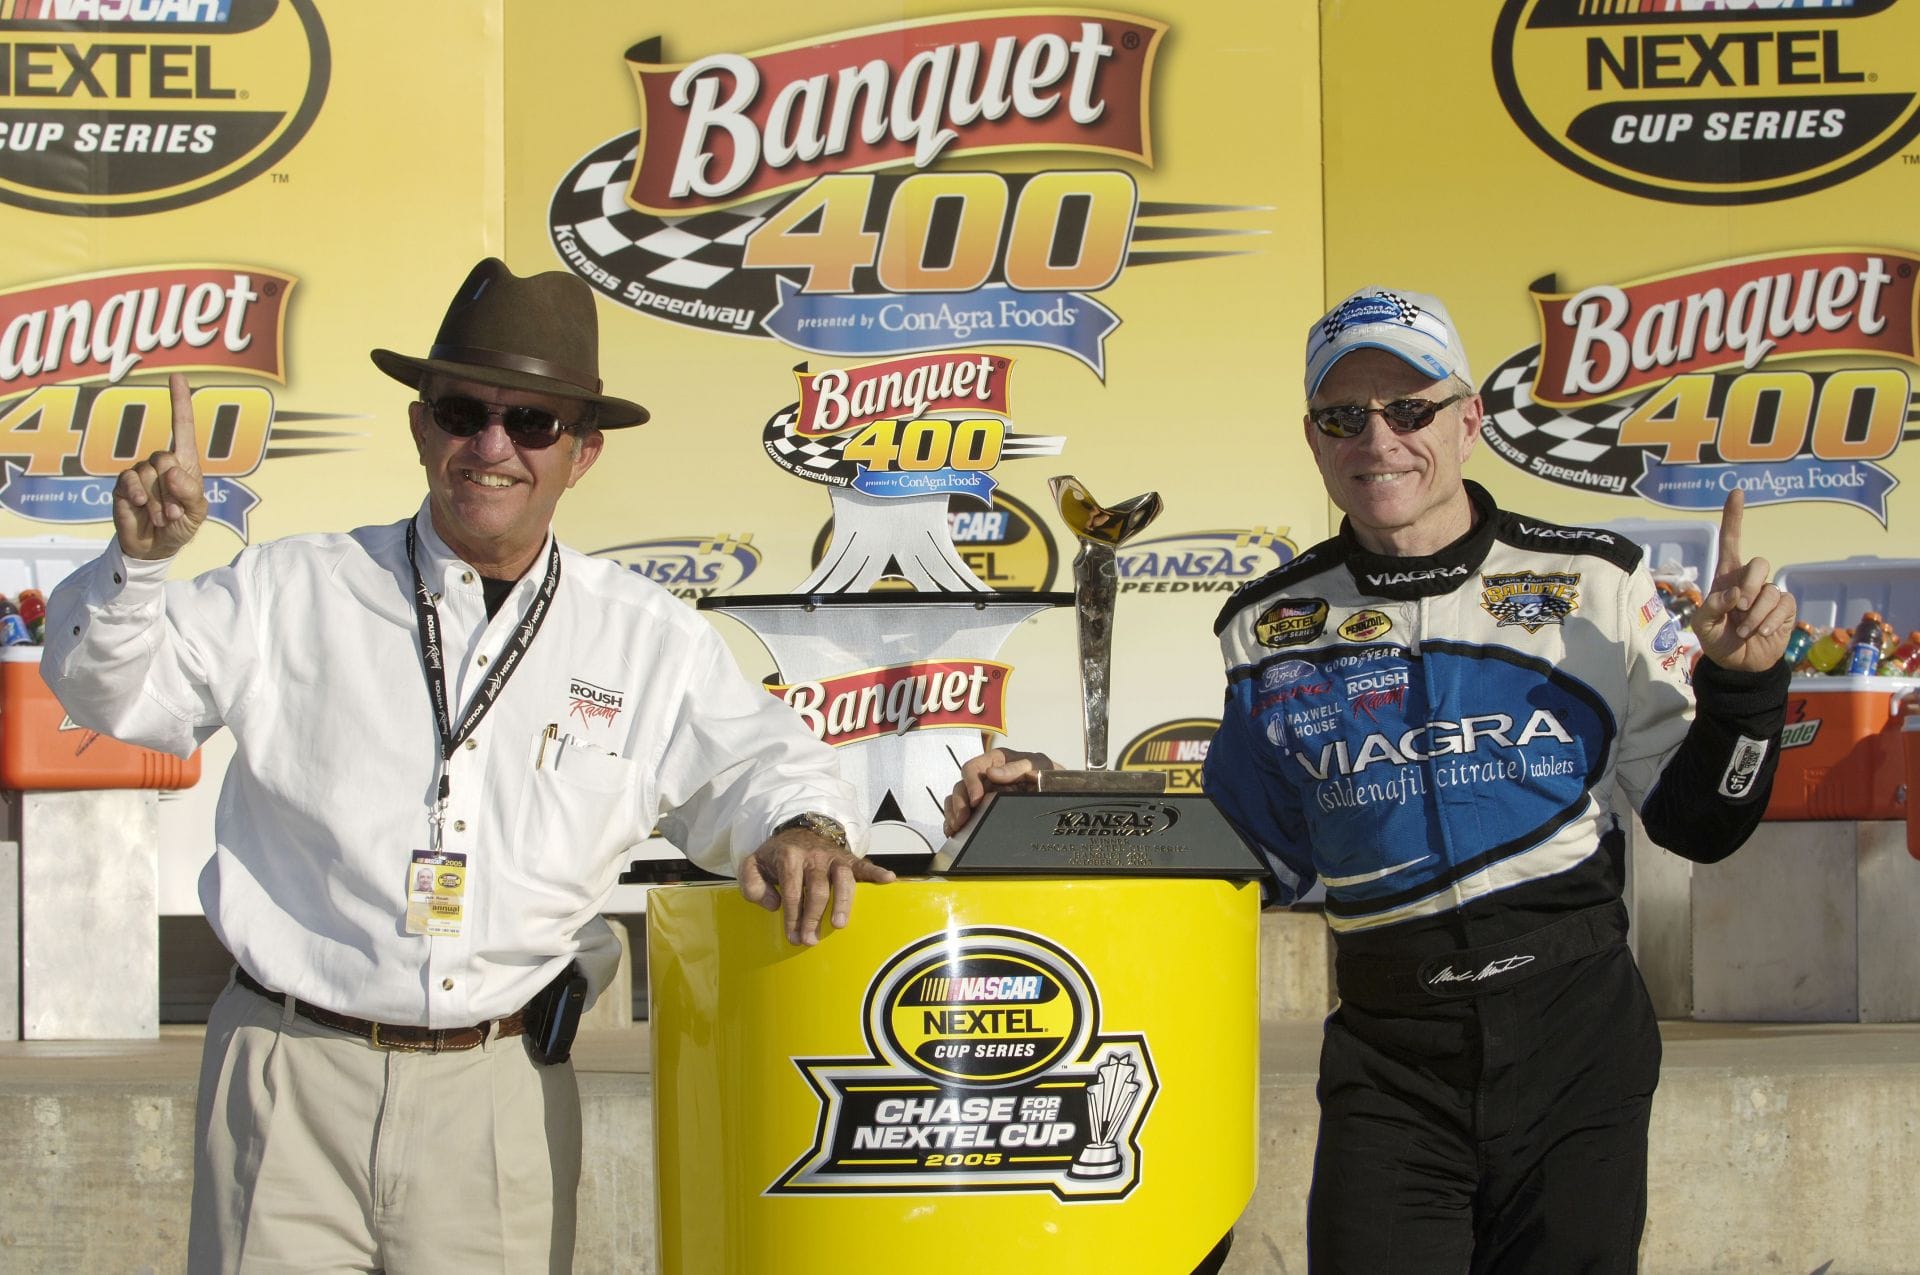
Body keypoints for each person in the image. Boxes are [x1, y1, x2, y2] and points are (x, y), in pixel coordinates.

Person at [43, 258, 893, 1274]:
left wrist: (804, 825)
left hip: (501, 1098)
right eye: (462, 411)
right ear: (420, 425)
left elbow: (760, 765)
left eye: (532, 423)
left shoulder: (646, 640)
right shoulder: (289, 591)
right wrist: (138, 567)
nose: (492, 447)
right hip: (285, 1073)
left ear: (582, 454)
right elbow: (113, 693)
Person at [946, 286, 1793, 1273]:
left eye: (1410, 409)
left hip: (1576, 1036)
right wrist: (1049, 801)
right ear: (1315, 441)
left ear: (1469, 420)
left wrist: (1745, 687)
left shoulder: (1595, 581)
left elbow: (1703, 827)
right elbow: (1247, 851)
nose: (1379, 439)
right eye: (1346, 417)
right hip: (1392, 1057)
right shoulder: (1267, 624)